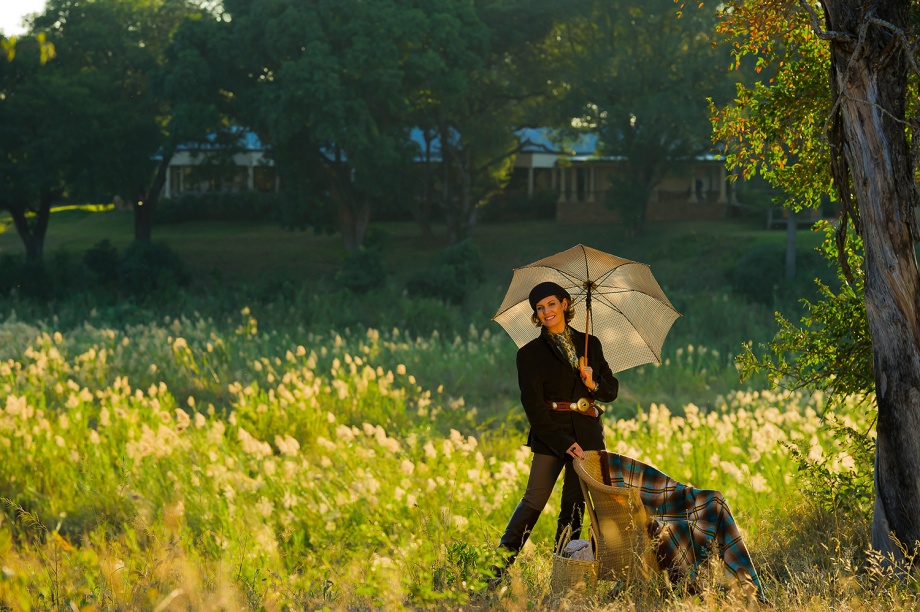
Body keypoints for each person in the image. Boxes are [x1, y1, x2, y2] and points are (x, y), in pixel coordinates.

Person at [491, 281, 618, 583]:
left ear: (564, 304)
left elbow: (610, 391)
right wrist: (564, 443)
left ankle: (565, 581)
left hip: (588, 435)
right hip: (551, 437)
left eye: (551, 304)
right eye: (539, 308)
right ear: (536, 314)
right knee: (533, 502)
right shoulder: (529, 354)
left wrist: (593, 384)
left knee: (574, 508)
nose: (546, 312)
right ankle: (492, 574)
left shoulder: (592, 344)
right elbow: (534, 409)